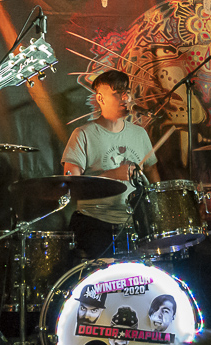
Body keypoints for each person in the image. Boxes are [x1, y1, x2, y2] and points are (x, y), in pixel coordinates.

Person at [62, 69, 160, 260]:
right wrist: (112, 175)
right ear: (100, 98)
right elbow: (71, 186)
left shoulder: (140, 134)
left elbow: (152, 173)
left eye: (127, 92)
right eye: (117, 93)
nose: (125, 97)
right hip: (95, 225)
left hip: (135, 224)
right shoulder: (83, 134)